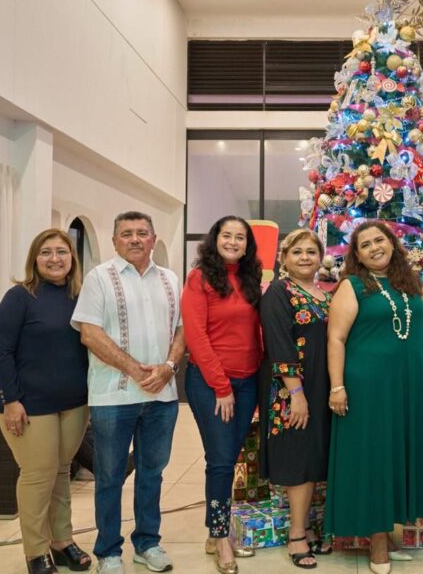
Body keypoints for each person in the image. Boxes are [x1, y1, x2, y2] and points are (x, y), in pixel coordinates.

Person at [326, 221, 423, 574]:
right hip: (368, 387)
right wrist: (337, 386)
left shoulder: (410, 283)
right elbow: (336, 338)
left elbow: (421, 330)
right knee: (375, 457)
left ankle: (391, 534)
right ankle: (377, 542)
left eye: (380, 240)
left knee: (398, 454)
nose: (374, 247)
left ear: (392, 243)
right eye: (365, 244)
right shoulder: (352, 285)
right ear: (357, 255)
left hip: (407, 385)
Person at [72, 212, 185, 574]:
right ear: (114, 241)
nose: (135, 239)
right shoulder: (99, 278)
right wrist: (137, 371)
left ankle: (147, 543)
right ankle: (108, 551)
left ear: (153, 239)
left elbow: (182, 330)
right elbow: (90, 334)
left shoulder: (170, 278)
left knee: (152, 473)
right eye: (126, 233)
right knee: (109, 476)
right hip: (113, 398)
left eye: (142, 233)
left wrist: (168, 367)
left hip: (162, 397)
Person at [0, 229, 91, 574]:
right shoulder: (20, 296)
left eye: (62, 251)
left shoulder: (81, 296)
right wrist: (11, 399)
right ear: (35, 259)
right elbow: (1, 352)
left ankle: (62, 542)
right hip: (29, 405)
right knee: (37, 475)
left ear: (72, 258)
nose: (54, 258)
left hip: (74, 403)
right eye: (46, 252)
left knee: (61, 471)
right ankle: (36, 551)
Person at [181, 215, 263, 574]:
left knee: (229, 457)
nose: (233, 242)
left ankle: (215, 533)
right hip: (212, 384)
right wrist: (222, 386)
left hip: (248, 382)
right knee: (220, 461)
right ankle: (220, 536)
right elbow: (196, 336)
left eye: (240, 237)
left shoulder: (250, 279)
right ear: (215, 240)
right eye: (227, 235)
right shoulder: (199, 278)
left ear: (247, 245)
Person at [258, 229, 332, 570]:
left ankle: (316, 527)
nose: (305, 257)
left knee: (316, 455)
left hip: (323, 386)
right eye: (297, 252)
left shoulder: (325, 294)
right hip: (292, 388)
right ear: (284, 258)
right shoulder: (279, 291)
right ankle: (297, 535)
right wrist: (297, 394)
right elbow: (279, 343)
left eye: (311, 252)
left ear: (320, 258)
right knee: (299, 458)